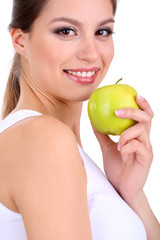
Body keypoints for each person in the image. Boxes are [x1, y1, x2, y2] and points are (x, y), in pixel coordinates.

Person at [0, 0, 159, 239]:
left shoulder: (47, 140)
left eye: (102, 31)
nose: (91, 53)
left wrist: (132, 195)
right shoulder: (43, 138)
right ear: (20, 40)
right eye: (66, 31)